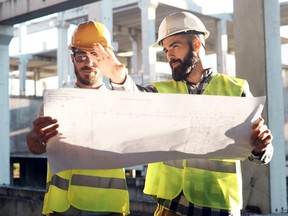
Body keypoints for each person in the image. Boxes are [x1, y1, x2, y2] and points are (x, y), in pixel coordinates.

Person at [141, 11, 274, 216]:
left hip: (216, 206)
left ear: (196, 45)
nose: (169, 55)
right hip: (170, 206)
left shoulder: (235, 90)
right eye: (166, 49)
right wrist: (118, 76)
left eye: (175, 46)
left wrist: (260, 148)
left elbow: (263, 155)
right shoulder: (161, 91)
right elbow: (132, 99)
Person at [26, 21, 139, 216]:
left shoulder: (121, 101)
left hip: (109, 207)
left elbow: (143, 124)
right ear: (72, 59)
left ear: (106, 58)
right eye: (81, 56)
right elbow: (38, 146)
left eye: (96, 55)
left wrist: (120, 78)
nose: (88, 63)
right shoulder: (54, 103)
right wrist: (34, 141)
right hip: (61, 207)